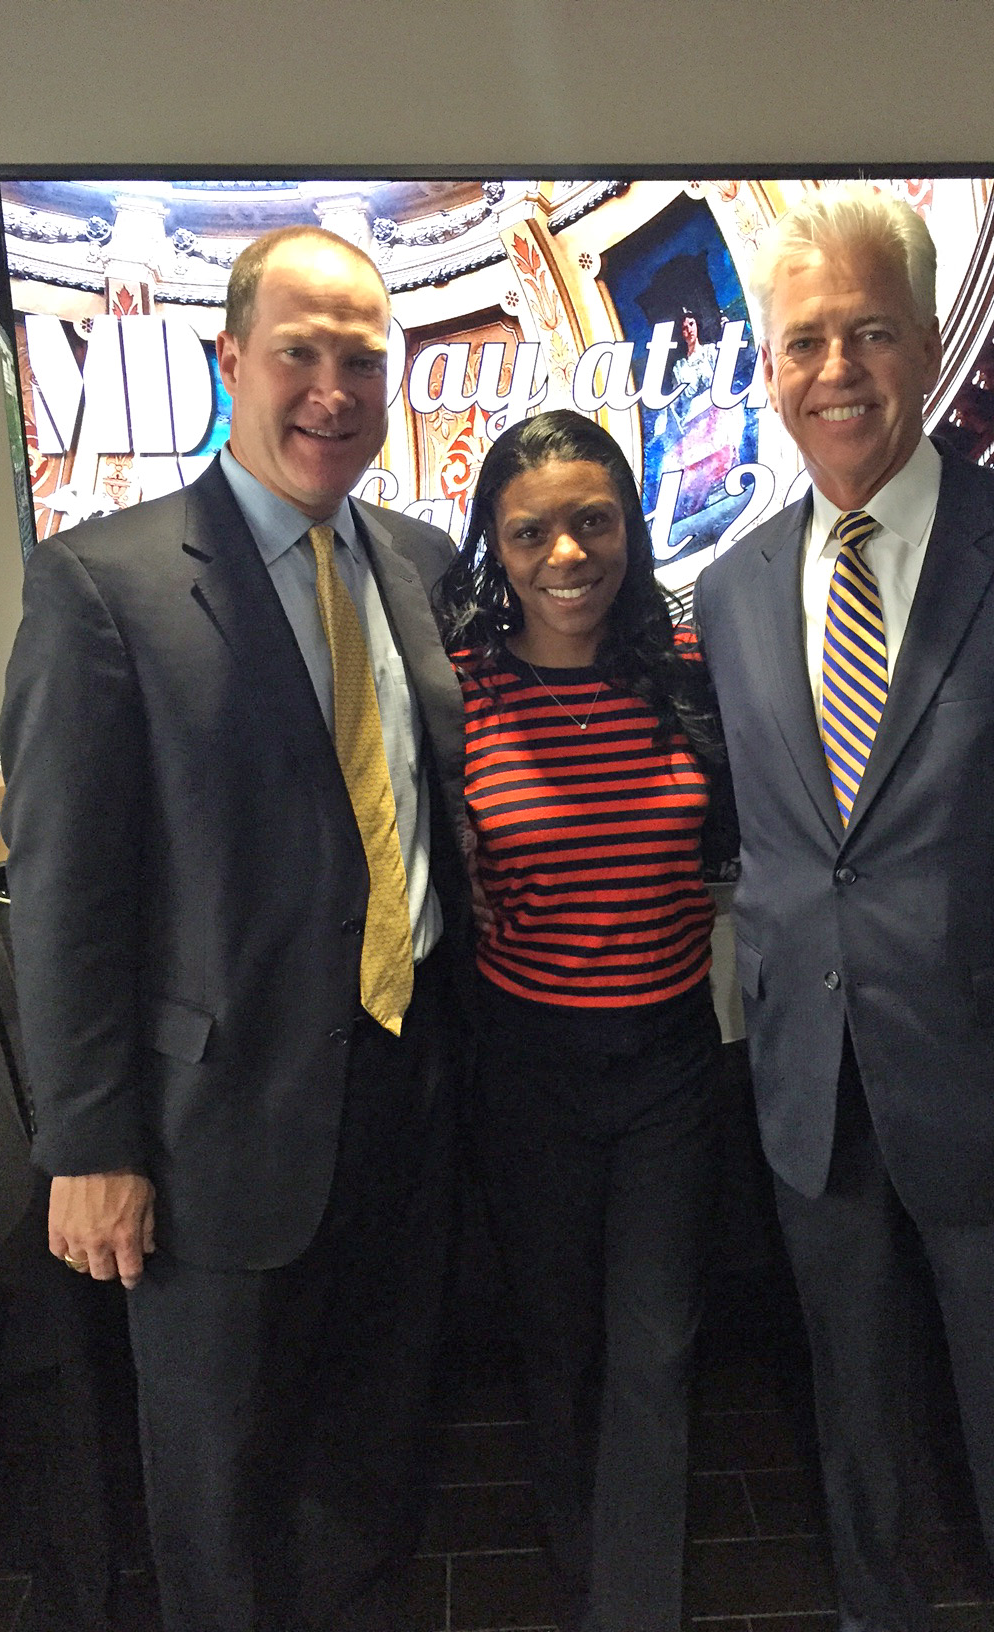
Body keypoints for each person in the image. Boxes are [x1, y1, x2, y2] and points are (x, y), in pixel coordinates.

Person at [693, 183, 994, 1632]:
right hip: (815, 1110)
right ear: (766, 368)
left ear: (928, 343)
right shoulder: (728, 586)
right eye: (805, 341)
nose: (837, 371)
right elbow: (785, 850)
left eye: (871, 333)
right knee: (862, 1452)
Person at [0, 225, 470, 1632]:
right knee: (218, 1492)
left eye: (363, 362)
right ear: (231, 363)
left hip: (405, 1090)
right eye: (299, 355)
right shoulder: (104, 584)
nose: (333, 390)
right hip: (209, 1137)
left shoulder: (424, 561)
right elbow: (69, 891)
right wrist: (88, 1146)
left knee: (372, 1459)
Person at [435, 408, 731, 1632]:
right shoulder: (461, 696)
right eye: (531, 532)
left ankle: (634, 1607)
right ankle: (575, 1560)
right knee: (555, 1345)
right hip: (525, 1067)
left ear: (631, 527)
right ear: (495, 550)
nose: (567, 554)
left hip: (669, 1065)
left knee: (656, 1350)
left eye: (593, 522)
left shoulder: (691, 679)